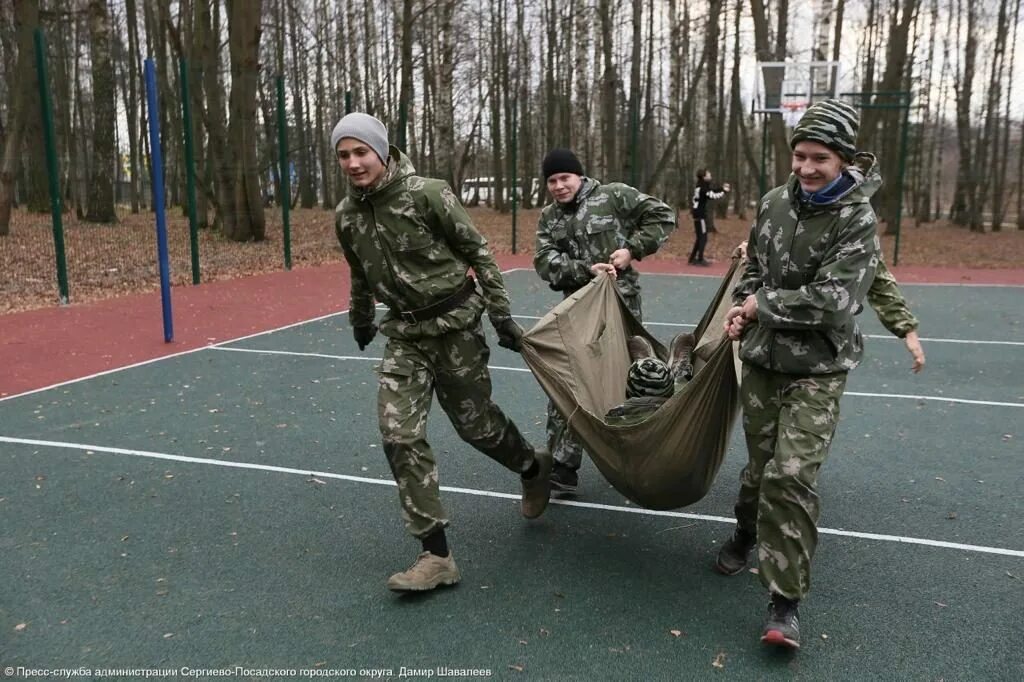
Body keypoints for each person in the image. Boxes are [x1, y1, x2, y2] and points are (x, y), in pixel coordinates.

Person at [331, 112, 552, 593]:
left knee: (477, 427)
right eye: (343, 155)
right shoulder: (347, 216)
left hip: (456, 330)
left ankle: (532, 466)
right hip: (405, 338)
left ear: (382, 151)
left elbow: (478, 252)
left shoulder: (427, 194)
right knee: (398, 435)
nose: (353, 163)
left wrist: (501, 315)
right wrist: (361, 317)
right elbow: (358, 271)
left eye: (360, 151)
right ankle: (436, 555)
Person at [719, 99, 880, 650]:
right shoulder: (772, 204)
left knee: (791, 476)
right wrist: (742, 306)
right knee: (761, 469)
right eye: (800, 156)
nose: (807, 169)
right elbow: (755, 272)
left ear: (843, 160)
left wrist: (763, 306)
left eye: (821, 159)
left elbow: (836, 301)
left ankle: (783, 604)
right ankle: (745, 531)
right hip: (764, 363)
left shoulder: (858, 217)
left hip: (819, 368)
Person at [533, 148, 677, 493]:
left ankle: (651, 451)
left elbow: (663, 216)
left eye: (564, 178)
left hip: (620, 307)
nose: (558, 186)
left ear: (579, 176)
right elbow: (543, 259)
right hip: (577, 310)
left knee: (632, 381)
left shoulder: (613, 196)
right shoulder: (549, 216)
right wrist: (585, 269)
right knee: (569, 379)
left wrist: (632, 250)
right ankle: (563, 465)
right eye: (551, 180)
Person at [737, 241, 925, 373]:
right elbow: (755, 267)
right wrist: (741, 311)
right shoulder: (777, 204)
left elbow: (878, 277)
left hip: (819, 359)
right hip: (762, 353)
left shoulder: (854, 220)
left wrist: (906, 328)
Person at [604, 334, 696, 426]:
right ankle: (676, 370)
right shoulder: (682, 410)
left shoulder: (614, 417)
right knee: (682, 386)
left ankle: (647, 364)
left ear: (628, 393)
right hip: (672, 417)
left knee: (643, 375)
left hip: (630, 423)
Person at [689, 168, 730, 266]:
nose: (710, 176)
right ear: (704, 177)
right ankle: (700, 259)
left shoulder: (701, 186)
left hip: (697, 214)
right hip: (700, 215)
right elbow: (713, 195)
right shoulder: (702, 188)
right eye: (708, 174)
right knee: (703, 237)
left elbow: (712, 191)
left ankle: (692, 258)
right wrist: (724, 191)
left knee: (700, 237)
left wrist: (722, 189)